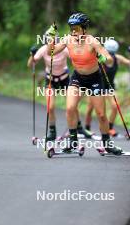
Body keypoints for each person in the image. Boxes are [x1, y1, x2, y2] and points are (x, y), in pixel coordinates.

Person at [46, 13, 123, 155]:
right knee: (70, 108)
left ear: (84, 29)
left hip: (94, 79)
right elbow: (51, 52)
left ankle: (107, 143)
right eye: (71, 28)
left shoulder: (92, 41)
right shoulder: (67, 39)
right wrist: (51, 38)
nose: (73, 32)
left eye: (76, 28)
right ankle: (73, 141)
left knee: (101, 114)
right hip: (77, 78)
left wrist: (103, 58)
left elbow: (110, 60)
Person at [27, 37, 91, 140]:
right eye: (49, 41)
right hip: (50, 80)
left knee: (72, 105)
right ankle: (52, 132)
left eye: (54, 40)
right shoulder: (43, 50)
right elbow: (31, 64)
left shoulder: (63, 49)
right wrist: (32, 55)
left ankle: (79, 128)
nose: (52, 43)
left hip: (65, 79)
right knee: (50, 106)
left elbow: (77, 59)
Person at [85, 39, 130, 137]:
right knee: (90, 108)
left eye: (112, 53)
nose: (110, 55)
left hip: (109, 87)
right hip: (96, 86)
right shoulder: (99, 57)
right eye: (108, 52)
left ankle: (109, 128)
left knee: (115, 106)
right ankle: (86, 129)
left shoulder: (118, 58)